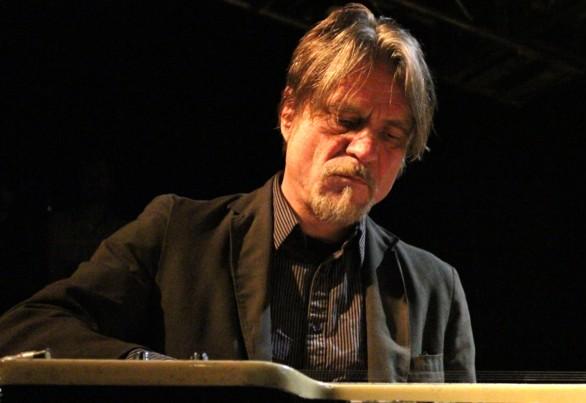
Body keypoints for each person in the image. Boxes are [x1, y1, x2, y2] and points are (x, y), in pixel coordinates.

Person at [0, 3, 475, 383]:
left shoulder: (436, 287)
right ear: (289, 113)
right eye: (347, 120)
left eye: (391, 135)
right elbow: (25, 327)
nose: (366, 149)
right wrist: (154, 375)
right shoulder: (177, 235)